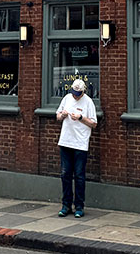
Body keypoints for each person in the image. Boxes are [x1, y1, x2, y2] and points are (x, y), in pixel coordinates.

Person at [55, 78, 96, 218]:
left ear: (83, 91)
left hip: (80, 143)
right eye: (73, 93)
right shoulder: (66, 98)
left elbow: (93, 123)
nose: (75, 96)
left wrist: (80, 118)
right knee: (65, 174)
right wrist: (63, 115)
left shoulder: (88, 102)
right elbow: (58, 116)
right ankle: (66, 205)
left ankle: (79, 206)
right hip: (66, 141)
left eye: (78, 94)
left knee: (79, 175)